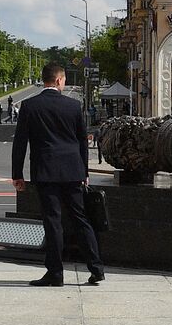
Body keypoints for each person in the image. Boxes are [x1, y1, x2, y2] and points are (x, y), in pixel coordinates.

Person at [12, 63, 105, 287]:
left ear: (45, 80)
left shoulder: (30, 106)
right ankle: (96, 268)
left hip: (45, 172)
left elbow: (20, 143)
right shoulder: (73, 106)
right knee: (80, 219)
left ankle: (55, 273)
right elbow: (82, 141)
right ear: (58, 81)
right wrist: (84, 171)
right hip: (73, 171)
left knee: (52, 222)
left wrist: (17, 174)